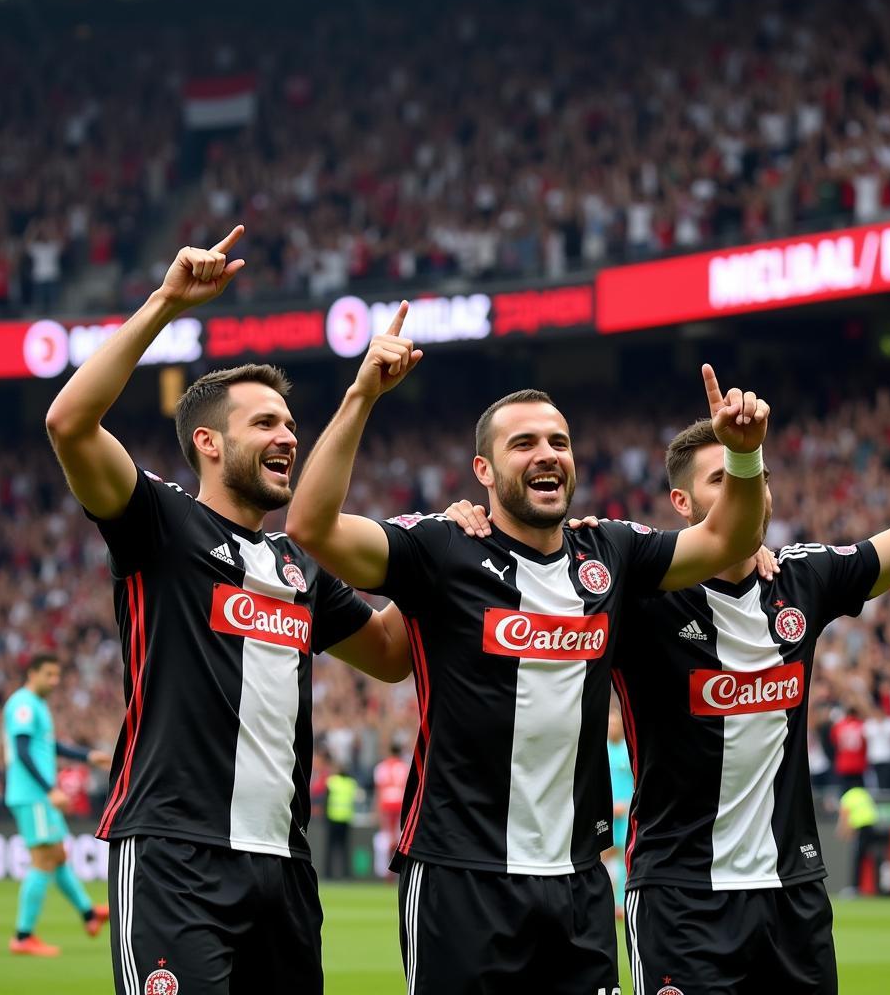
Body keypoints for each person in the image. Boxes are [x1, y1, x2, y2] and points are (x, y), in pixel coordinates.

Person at [443, 354, 890, 993]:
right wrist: (470, 524)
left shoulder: (804, 578)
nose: (744, 490)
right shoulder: (636, 593)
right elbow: (534, 567)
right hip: (680, 895)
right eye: (719, 480)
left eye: (751, 475)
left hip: (793, 891)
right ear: (682, 501)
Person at [285, 303, 770, 993]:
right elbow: (311, 524)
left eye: (559, 442)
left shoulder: (613, 553)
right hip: (461, 873)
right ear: (483, 470)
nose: (547, 453)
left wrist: (746, 456)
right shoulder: (443, 549)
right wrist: (363, 395)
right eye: (524, 444)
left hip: (577, 878)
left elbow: (727, 541)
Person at [44, 225, 411, 995]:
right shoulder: (161, 525)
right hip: (177, 853)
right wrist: (166, 303)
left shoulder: (297, 568)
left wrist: (440, 562)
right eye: (266, 425)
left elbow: (386, 654)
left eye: (290, 424)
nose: (287, 437)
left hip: (283, 864)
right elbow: (69, 423)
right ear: (207, 442)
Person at [3, 652, 113, 956]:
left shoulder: (37, 705)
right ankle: (23, 937)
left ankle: (89, 914)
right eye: (49, 675)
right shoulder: (24, 704)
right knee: (43, 859)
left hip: (37, 795)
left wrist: (86, 756)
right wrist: (49, 790)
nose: (55, 681)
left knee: (59, 855)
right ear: (33, 673)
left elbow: (46, 746)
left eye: (57, 675)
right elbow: (23, 751)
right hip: (33, 795)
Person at [603, 707, 633, 920]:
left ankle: (620, 904)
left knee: (624, 856)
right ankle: (605, 900)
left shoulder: (628, 751)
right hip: (605, 813)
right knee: (602, 855)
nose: (612, 727)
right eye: (609, 723)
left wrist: (628, 804)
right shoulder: (601, 751)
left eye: (615, 723)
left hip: (626, 813)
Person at [838, 785, 884, 896]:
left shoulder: (847, 797)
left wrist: (843, 832)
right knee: (875, 858)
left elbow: (845, 816)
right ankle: (878, 888)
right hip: (874, 827)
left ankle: (855, 887)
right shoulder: (863, 793)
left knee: (857, 858)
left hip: (862, 828)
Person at [374, 742, 410, 871]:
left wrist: (376, 811)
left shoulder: (381, 767)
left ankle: (384, 871)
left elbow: (378, 791)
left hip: (386, 804)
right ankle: (397, 869)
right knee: (398, 838)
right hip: (400, 804)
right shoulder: (405, 767)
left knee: (386, 837)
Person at [324, 758, 358, 880]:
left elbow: (325, 801)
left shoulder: (332, 781)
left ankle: (328, 873)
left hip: (334, 819)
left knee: (331, 848)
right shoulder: (351, 783)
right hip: (345, 819)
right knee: (344, 848)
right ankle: (345, 873)